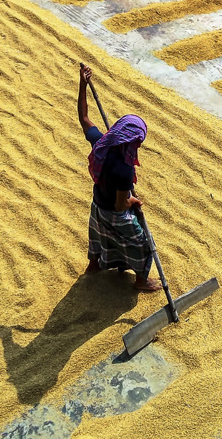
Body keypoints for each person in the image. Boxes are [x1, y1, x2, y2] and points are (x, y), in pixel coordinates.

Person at [77, 64, 162, 292]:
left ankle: (94, 265)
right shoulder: (124, 170)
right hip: (113, 212)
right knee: (144, 244)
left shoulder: (101, 144)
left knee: (98, 235)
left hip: (97, 207)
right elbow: (120, 204)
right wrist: (133, 202)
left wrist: (83, 85)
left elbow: (84, 117)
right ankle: (141, 281)